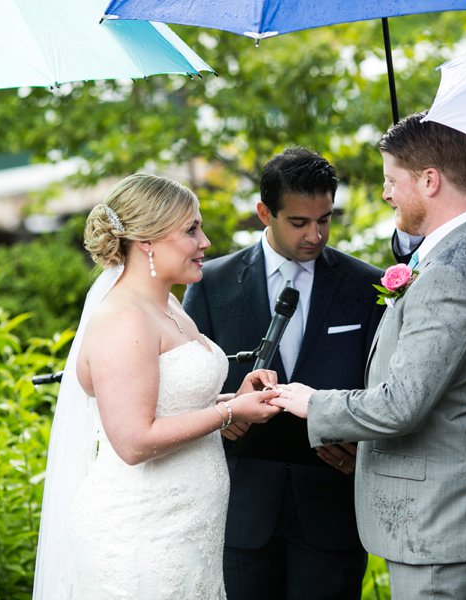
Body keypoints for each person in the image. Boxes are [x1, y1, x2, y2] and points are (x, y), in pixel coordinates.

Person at [273, 114, 466, 599]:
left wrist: (312, 403)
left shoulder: (449, 271)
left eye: (392, 180)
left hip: (440, 526)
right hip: (461, 513)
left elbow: (400, 405)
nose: (386, 193)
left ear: (429, 180)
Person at [32, 173, 282, 600]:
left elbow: (170, 404)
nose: (205, 242)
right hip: (140, 536)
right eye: (191, 230)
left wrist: (234, 398)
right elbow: (133, 440)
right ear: (146, 240)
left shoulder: (167, 303)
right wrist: (230, 414)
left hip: (186, 531)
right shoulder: (123, 319)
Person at [182, 147, 383, 599]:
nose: (316, 234)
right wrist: (226, 416)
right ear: (263, 213)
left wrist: (365, 452)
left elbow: (382, 391)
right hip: (242, 507)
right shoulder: (210, 284)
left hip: (332, 504)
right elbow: (191, 388)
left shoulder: (364, 284)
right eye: (299, 222)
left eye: (325, 219)